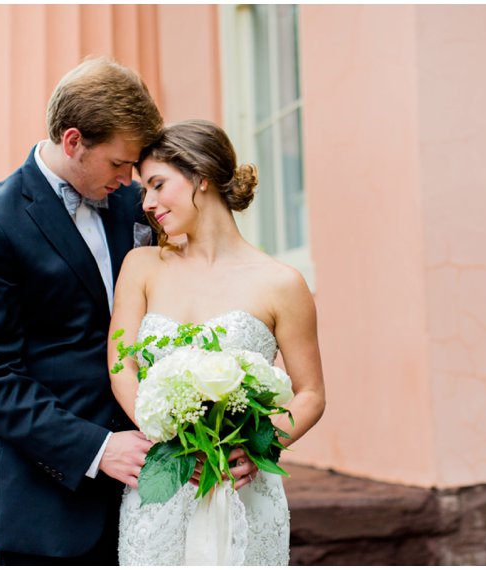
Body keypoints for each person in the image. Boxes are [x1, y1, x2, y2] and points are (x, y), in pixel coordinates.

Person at [0, 57, 163, 565]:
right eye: (118, 163)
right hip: (45, 502)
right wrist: (97, 448)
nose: (130, 179)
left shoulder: (136, 205)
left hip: (147, 496)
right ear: (73, 141)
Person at [108, 119, 326, 565]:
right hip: (164, 484)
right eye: (143, 190)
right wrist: (171, 437)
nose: (147, 203)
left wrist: (258, 446)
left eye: (157, 185)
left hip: (242, 488)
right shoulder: (142, 266)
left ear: (201, 175)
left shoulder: (281, 283)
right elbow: (119, 364)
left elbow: (311, 394)